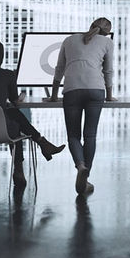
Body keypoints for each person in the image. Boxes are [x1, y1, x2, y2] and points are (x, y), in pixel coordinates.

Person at [0, 38, 65, 189]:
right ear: (0, 56)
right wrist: (21, 96)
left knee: (12, 115)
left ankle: (42, 144)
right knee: (16, 123)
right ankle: (26, 160)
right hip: (0, 129)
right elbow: (15, 100)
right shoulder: (7, 75)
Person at [45, 18, 116, 197]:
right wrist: (108, 95)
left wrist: (53, 96)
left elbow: (59, 68)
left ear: (92, 26)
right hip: (96, 90)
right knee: (90, 135)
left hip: (72, 90)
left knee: (74, 135)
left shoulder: (69, 40)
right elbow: (108, 71)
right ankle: (86, 176)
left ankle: (80, 166)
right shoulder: (107, 42)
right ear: (107, 32)